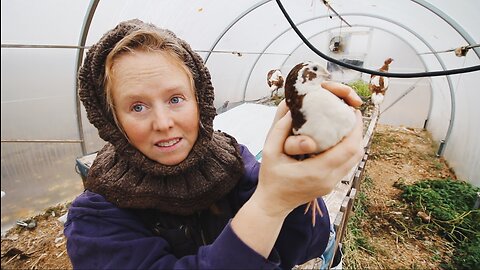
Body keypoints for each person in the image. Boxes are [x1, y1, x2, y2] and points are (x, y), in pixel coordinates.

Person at [64, 19, 364, 269]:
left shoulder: (230, 161)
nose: (164, 122)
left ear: (200, 101)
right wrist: (270, 205)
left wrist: (294, 167)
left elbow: (304, 247)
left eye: (175, 99)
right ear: (112, 119)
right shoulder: (96, 220)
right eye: (138, 107)